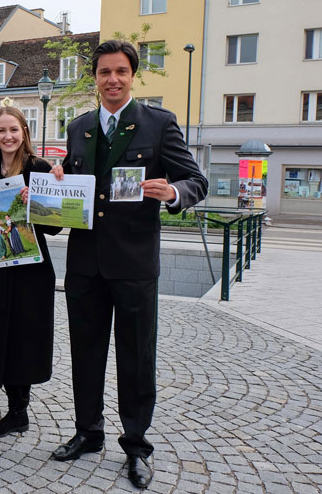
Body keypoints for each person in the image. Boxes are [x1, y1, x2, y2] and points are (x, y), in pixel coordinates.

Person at [52, 40, 207, 489]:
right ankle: (88, 432)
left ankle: (136, 445)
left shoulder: (158, 124)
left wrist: (173, 193)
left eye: (121, 71)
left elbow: (194, 180)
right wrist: (57, 184)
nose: (113, 79)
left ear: (132, 76)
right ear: (95, 78)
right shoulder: (79, 126)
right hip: (84, 264)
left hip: (135, 263)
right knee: (86, 353)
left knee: (136, 357)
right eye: (104, 72)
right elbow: (77, 189)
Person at [0, 105, 61, 439]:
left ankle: (18, 411)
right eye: (1, 131)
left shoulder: (40, 168)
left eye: (13, 130)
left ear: (24, 131)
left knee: (24, 338)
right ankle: (14, 408)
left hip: (31, 272)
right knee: (1, 336)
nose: (7, 136)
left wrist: (35, 203)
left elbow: (54, 227)